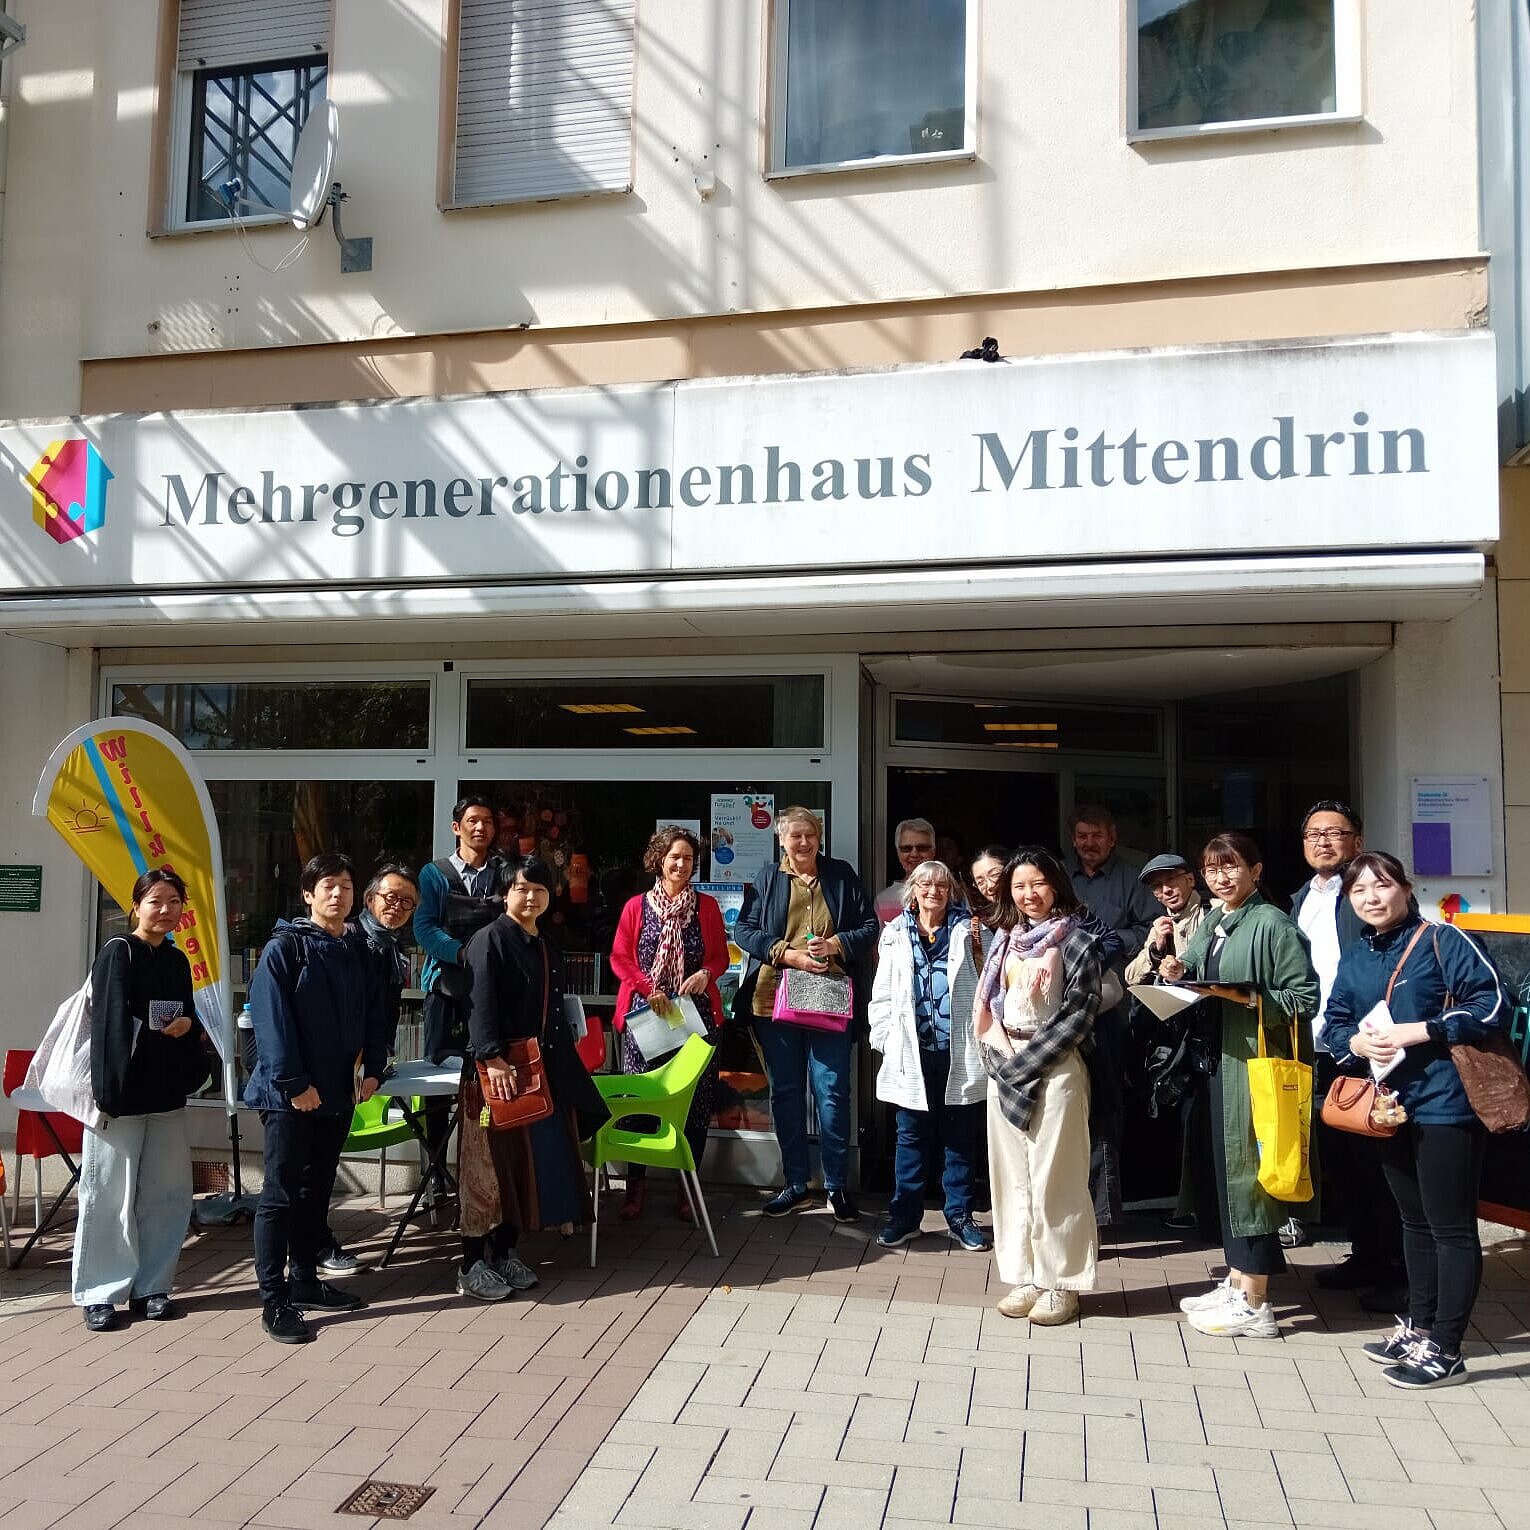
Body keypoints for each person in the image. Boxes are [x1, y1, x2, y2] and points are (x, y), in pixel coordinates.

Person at [1320, 851, 1505, 1390]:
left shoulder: (1444, 941)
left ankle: (1447, 1347)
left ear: (1406, 887)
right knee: (1414, 1221)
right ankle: (1420, 1326)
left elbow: (1492, 1005)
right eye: (1359, 892)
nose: (1372, 898)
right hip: (1387, 1107)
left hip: (1447, 1104)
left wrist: (1420, 1030)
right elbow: (1334, 1023)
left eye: (1381, 886)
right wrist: (1353, 1040)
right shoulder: (1357, 956)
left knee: (1449, 1227)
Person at [1160, 833, 1320, 1339]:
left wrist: (1248, 998)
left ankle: (1256, 1302)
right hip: (1218, 1062)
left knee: (1249, 1176)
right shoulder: (1216, 920)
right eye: (1211, 870)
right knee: (1227, 1172)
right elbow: (1198, 971)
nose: (1221, 877)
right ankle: (1236, 1280)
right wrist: (1177, 969)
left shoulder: (1273, 924)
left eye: (1231, 868)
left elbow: (1304, 998)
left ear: (1256, 870)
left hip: (1255, 1067)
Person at [245, 853, 387, 1344]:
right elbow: (271, 1023)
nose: (337, 894)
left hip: (337, 1093)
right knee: (279, 1195)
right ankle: (273, 1299)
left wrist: (375, 1070)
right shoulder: (284, 948)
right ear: (308, 894)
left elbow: (374, 1013)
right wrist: (293, 1085)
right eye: (328, 886)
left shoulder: (357, 947)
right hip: (292, 1096)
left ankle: (305, 1280)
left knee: (316, 1190)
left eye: (346, 887)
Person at [458, 854, 610, 1301]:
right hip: (497, 1075)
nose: (530, 897)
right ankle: (471, 1263)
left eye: (539, 889)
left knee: (524, 1168)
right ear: (505, 894)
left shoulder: (545, 944)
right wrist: (492, 1058)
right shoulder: (490, 940)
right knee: (486, 1169)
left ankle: (505, 1251)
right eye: (521, 889)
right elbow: (478, 1005)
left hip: (540, 1075)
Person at [72, 869, 214, 1332]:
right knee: (108, 1194)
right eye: (156, 901)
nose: (166, 910)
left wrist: (187, 1026)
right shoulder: (119, 952)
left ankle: (153, 1287)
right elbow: (108, 1026)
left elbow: (187, 1015)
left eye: (174, 902)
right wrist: (108, 1094)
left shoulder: (175, 961)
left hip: (166, 1093)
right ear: (135, 905)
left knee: (167, 1195)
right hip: (121, 1096)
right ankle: (100, 1293)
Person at [975, 849, 1104, 1325]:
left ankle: (1063, 1283)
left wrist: (1025, 1063)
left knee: (1058, 1177)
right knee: (1012, 1179)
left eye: (1038, 884)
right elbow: (988, 1009)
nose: (1029, 895)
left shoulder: (1078, 943)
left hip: (1057, 1068)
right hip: (1005, 1067)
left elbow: (1078, 1016)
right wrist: (1000, 1060)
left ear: (1056, 886)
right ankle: (1026, 1274)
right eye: (1018, 887)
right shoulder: (1003, 943)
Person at [734, 805, 878, 1220]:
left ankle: (836, 1186)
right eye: (794, 836)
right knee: (786, 1092)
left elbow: (869, 925)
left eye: (809, 835)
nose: (802, 842)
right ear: (781, 839)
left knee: (832, 1091)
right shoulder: (768, 878)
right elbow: (744, 930)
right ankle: (795, 1183)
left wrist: (836, 945)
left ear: (820, 836)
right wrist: (787, 954)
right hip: (775, 1000)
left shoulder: (840, 874)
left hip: (829, 998)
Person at [1292, 800, 1405, 1303]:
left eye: (1334, 833)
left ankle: (1397, 1268)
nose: (1322, 842)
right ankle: (1366, 1255)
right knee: (1343, 1157)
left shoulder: (1368, 894)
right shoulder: (1301, 898)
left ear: (1357, 841)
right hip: (1319, 1045)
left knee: (1382, 1158)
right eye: (1313, 834)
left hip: (1371, 1045)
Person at [608, 826, 730, 1222]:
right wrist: (646, 987)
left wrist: (705, 975)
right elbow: (620, 958)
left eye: (689, 859)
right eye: (675, 857)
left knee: (694, 1106)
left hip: (695, 1021)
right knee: (641, 1101)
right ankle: (635, 1189)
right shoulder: (636, 907)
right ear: (659, 859)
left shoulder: (707, 907)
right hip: (646, 1018)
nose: (682, 865)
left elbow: (721, 958)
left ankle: (686, 1189)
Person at [869, 860, 990, 1251]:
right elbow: (883, 991)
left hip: (958, 1051)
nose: (932, 890)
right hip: (912, 1052)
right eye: (924, 883)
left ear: (951, 889)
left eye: (941, 884)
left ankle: (959, 1216)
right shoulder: (895, 932)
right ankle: (905, 1216)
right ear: (913, 889)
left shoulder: (972, 930)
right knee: (911, 1138)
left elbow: (988, 990)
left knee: (959, 1138)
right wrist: (885, 1038)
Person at [316, 861, 420, 1277]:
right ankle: (312, 1245)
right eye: (390, 897)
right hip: (328, 1068)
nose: (397, 907)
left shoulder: (387, 947)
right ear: (370, 898)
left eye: (407, 903)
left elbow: (380, 1016)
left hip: (357, 1068)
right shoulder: (352, 941)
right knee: (314, 1164)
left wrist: (375, 1065)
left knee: (323, 1158)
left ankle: (312, 1242)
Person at [1062, 805, 1159, 1229]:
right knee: (1065, 1104)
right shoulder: (1060, 876)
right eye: (1082, 836)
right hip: (1060, 1007)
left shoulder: (1132, 880)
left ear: (1112, 837)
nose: (1089, 843)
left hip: (1110, 1007)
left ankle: (1102, 1213)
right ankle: (1067, 1205)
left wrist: (1107, 942)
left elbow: (1154, 927)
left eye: (1096, 835)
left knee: (1104, 1105)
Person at [413, 796, 507, 1200]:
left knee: (489, 1079)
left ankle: (487, 1171)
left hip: (493, 994)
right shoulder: (435, 874)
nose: (480, 827)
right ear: (457, 828)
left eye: (487, 821)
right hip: (446, 991)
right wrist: (461, 952)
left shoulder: (505, 871)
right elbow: (423, 926)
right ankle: (437, 1173)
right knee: (439, 1082)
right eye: (472, 821)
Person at [1125, 853, 1216, 1236]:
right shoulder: (1161, 925)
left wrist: (1183, 970)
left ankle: (1207, 1210)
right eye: (1157, 885)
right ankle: (1189, 1205)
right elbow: (1132, 976)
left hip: (1211, 1032)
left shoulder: (1213, 916)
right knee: (1184, 1120)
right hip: (1174, 1038)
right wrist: (1154, 947)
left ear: (1191, 879)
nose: (1166, 890)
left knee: (1205, 1122)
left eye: (1172, 880)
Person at [875, 817, 938, 925]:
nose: (914, 854)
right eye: (906, 849)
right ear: (898, 853)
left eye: (922, 848)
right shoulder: (883, 900)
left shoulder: (949, 893)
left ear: (933, 851)